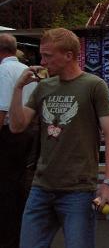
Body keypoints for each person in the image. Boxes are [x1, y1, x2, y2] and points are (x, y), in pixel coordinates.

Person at [9, 28, 109, 247]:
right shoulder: (44, 86)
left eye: (48, 55)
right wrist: (19, 88)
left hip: (77, 189)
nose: (43, 60)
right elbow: (17, 126)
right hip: (41, 186)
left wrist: (108, 183)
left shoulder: (93, 85)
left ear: (69, 55)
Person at [0, 34, 38, 247]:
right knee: (18, 185)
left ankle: (8, 238)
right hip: (27, 130)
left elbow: (2, 109)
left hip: (9, 133)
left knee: (5, 189)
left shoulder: (4, 71)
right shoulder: (26, 70)